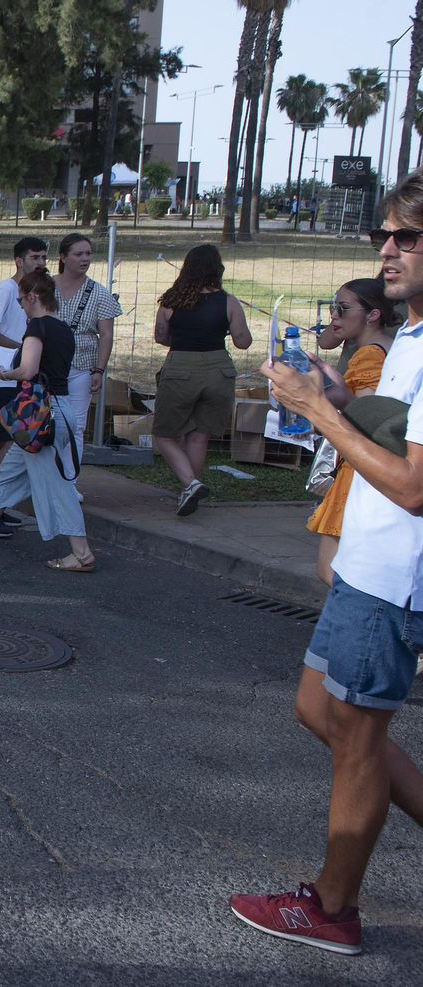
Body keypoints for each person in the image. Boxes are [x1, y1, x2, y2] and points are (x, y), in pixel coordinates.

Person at [229, 182, 423, 958]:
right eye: (387, 235)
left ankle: (333, 907)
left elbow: (414, 485)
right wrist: (338, 396)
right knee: (321, 709)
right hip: (365, 569)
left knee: (358, 741)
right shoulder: (407, 335)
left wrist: (319, 413)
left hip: (392, 578)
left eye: (407, 237)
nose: (386, 251)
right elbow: (401, 438)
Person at [0, 270, 95, 572]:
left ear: (32, 297)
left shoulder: (37, 328)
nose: (20, 306)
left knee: (56, 486)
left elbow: (28, 369)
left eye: (21, 300)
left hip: (41, 417)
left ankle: (81, 553)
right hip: (57, 410)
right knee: (9, 473)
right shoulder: (63, 329)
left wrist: (4, 373)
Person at [305, 278, 401, 586]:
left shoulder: (368, 355)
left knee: (329, 569)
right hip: (384, 464)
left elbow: (365, 419)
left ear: (373, 314)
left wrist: (316, 407)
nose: (334, 315)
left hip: (360, 468)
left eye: (343, 309)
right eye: (334, 307)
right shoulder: (394, 345)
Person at [152, 243, 252, 516]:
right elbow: (243, 342)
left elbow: (161, 337)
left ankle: (190, 484)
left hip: (181, 366)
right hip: (219, 369)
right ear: (216, 269)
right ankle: (190, 489)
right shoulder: (229, 301)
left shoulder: (171, 301)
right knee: (199, 435)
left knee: (165, 434)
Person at [0, 237, 49, 537]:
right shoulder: (6, 288)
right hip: (3, 375)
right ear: (19, 260)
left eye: (43, 257)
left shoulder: (34, 292)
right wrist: (24, 348)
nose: (41, 262)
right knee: (0, 440)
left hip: (19, 374)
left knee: (3, 440)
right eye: (35, 257)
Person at [52, 233, 122, 444]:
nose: (85, 259)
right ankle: (46, 474)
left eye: (88, 254)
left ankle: (69, 476)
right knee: (47, 421)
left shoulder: (99, 293)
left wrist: (99, 370)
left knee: (76, 425)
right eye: (78, 254)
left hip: (81, 366)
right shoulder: (46, 286)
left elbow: (107, 334)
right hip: (47, 364)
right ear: (63, 257)